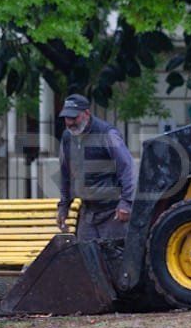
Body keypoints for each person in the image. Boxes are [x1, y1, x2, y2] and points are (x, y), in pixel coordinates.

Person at [56, 94, 137, 241]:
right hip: (87, 213)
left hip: (113, 213)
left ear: (86, 113)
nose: (70, 122)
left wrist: (126, 202)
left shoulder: (107, 134)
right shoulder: (67, 138)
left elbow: (127, 168)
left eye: (74, 118)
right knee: (86, 258)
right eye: (67, 118)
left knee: (113, 258)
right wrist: (63, 206)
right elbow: (65, 174)